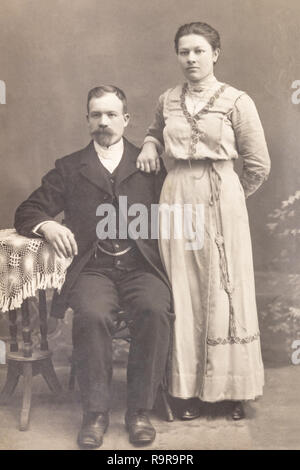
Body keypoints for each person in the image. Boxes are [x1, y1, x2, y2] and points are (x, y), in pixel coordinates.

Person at [14, 85, 172, 449]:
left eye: (111, 114)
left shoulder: (149, 165)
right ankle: (95, 413)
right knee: (92, 314)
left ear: (126, 119)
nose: (104, 122)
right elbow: (28, 211)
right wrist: (49, 225)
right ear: (87, 120)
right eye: (96, 115)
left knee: (154, 309)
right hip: (93, 269)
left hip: (140, 267)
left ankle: (139, 411)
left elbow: (179, 209)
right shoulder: (70, 167)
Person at [137, 22, 271, 421]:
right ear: (177, 56)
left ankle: (232, 391)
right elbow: (154, 132)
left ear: (215, 54)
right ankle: (188, 390)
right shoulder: (168, 99)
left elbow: (258, 164)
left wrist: (228, 199)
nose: (191, 59)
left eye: (199, 51)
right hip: (177, 198)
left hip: (222, 198)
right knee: (184, 290)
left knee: (227, 292)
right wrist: (148, 143)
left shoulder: (236, 101)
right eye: (184, 52)